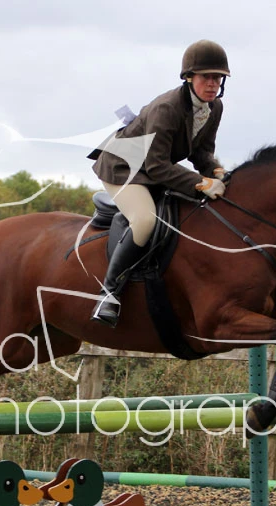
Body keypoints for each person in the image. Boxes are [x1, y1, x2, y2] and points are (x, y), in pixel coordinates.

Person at [89, 39, 231, 327]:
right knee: (145, 220)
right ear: (189, 77)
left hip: (154, 167)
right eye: (206, 77)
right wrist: (202, 184)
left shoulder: (214, 107)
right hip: (123, 168)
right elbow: (157, 166)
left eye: (218, 78)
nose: (213, 84)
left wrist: (217, 172)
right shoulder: (167, 108)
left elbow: (201, 152)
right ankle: (108, 294)